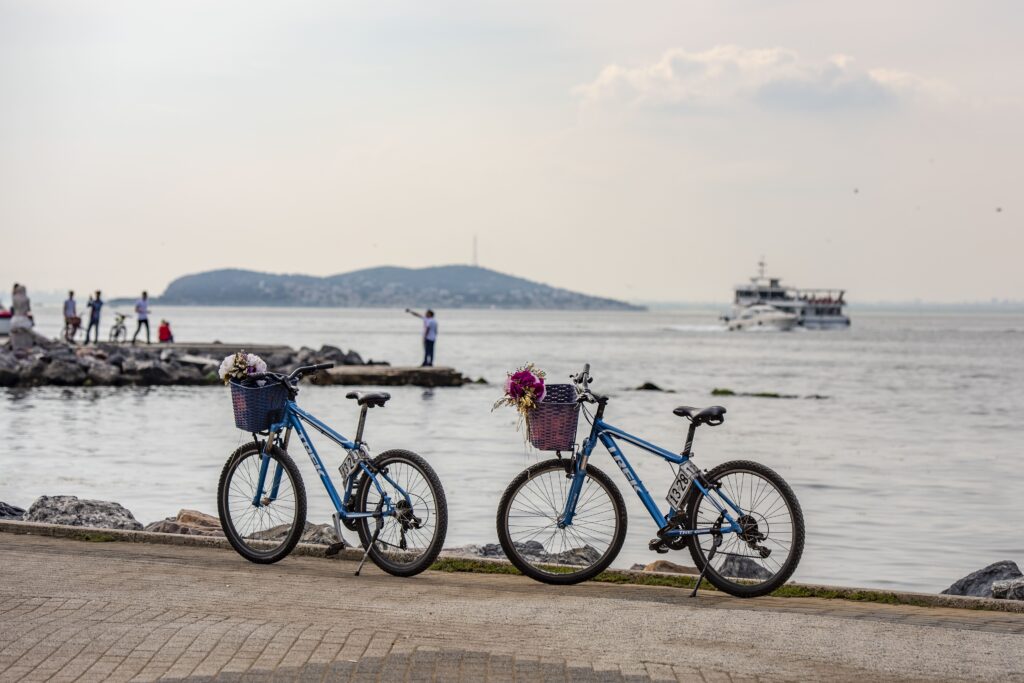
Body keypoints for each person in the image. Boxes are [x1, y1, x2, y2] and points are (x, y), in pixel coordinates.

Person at [9, 283, 35, 354]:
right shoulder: (27, 298)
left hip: (15, 319)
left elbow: (14, 308)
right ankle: (26, 348)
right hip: (23, 318)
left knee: (15, 335)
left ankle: (16, 347)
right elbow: (28, 309)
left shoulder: (14, 297)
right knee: (26, 335)